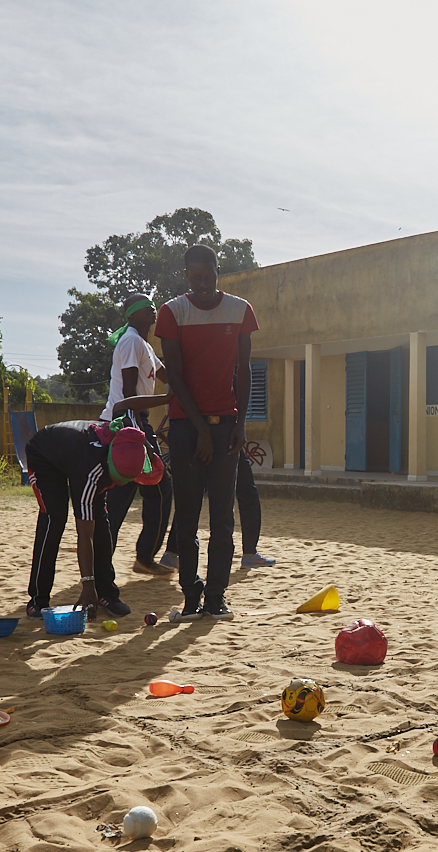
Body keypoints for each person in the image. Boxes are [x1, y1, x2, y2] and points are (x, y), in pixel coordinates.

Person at [154, 244, 258, 620]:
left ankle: (216, 598)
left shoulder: (240, 310)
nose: (201, 283)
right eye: (194, 277)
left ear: (218, 270)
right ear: (186, 275)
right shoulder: (172, 312)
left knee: (223, 519)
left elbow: (243, 371)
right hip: (185, 428)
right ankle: (190, 596)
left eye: (208, 275)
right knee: (187, 516)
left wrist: (240, 425)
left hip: (226, 428)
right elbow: (176, 377)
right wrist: (198, 428)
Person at [25, 400, 167, 619]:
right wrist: (87, 586)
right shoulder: (92, 472)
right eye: (117, 479)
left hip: (79, 456)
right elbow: (84, 534)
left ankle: (107, 594)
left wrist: (147, 447)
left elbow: (123, 408)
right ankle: (38, 599)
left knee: (102, 523)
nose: (119, 484)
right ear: (110, 464)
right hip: (45, 456)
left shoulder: (128, 440)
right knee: (55, 519)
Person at [100, 292, 177, 577]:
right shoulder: (132, 341)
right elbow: (130, 392)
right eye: (145, 308)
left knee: (135, 492)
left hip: (134, 420)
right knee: (152, 489)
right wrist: (168, 400)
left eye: (152, 306)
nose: (152, 310)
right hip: (126, 421)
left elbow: (167, 375)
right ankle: (138, 558)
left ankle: (134, 558)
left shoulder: (143, 344)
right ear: (132, 315)